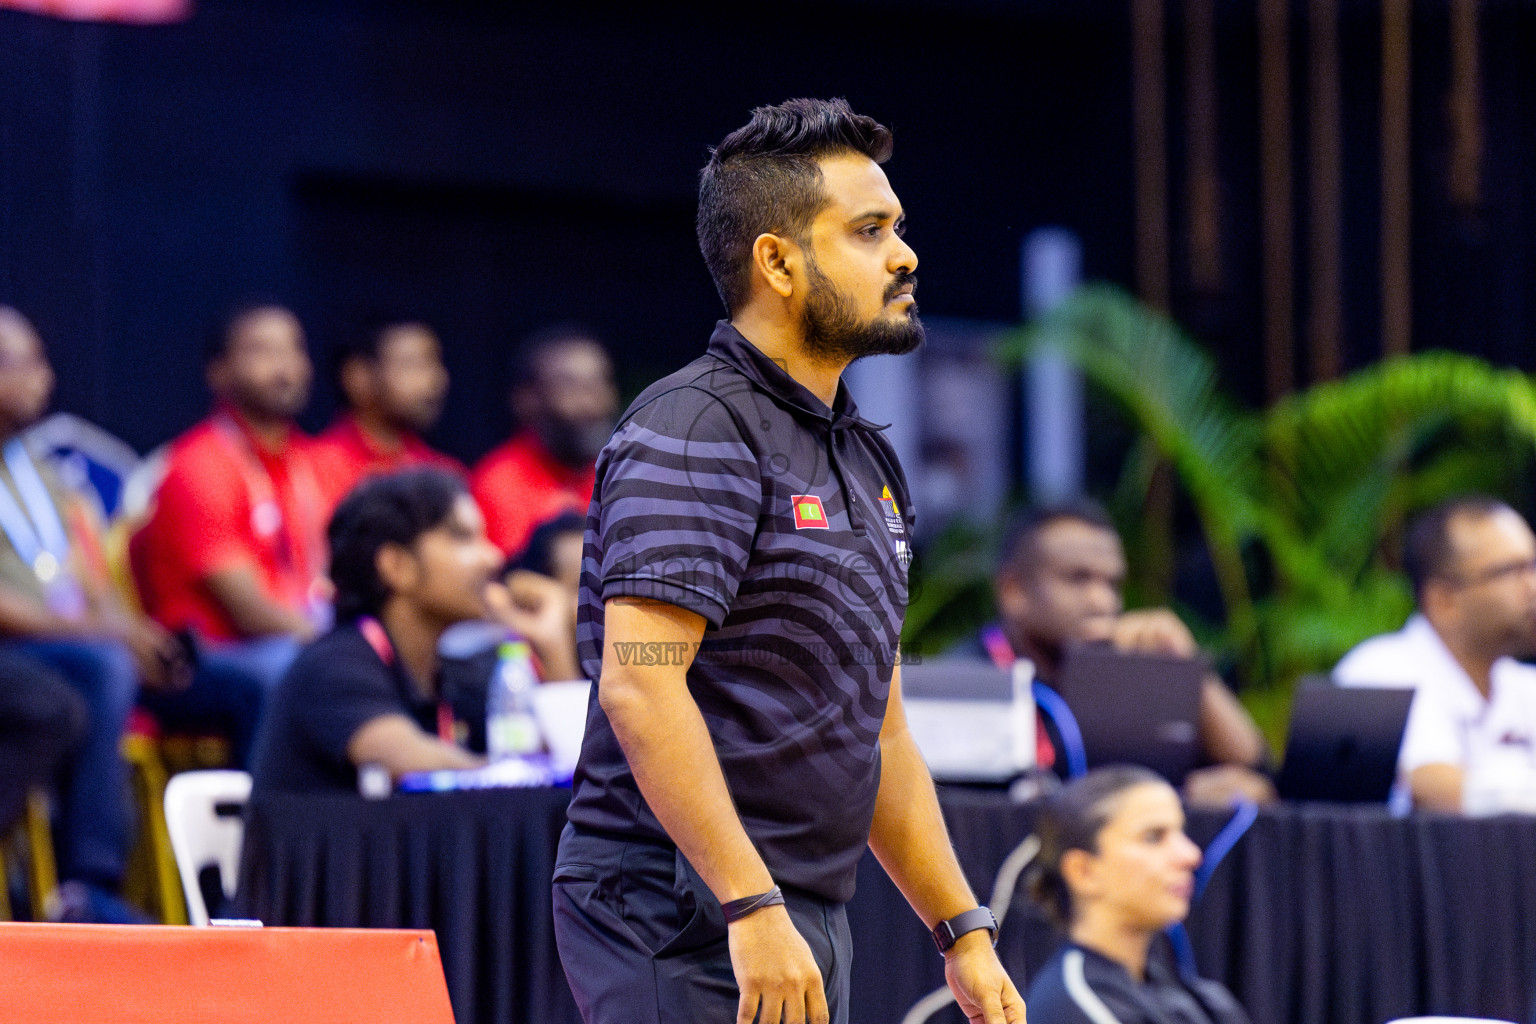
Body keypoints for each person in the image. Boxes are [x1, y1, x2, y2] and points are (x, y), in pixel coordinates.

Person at [553, 98, 1022, 1024]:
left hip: (797, 906)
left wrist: (962, 930)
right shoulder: (692, 426)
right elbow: (642, 684)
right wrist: (748, 902)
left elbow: (878, 729)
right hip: (677, 901)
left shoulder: (863, 454)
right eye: (870, 230)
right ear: (777, 261)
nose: (906, 254)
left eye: (899, 228)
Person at [0, 307, 188, 921]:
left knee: (136, 666)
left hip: (61, 648)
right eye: (20, 363)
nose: (41, 378)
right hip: (18, 646)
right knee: (95, 675)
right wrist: (109, 635)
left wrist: (133, 634)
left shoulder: (45, 474)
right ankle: (88, 881)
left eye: (40, 360)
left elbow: (90, 577)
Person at [130, 303, 328, 761]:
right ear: (219, 373)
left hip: (295, 638)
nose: (284, 367)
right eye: (262, 351)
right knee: (288, 668)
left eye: (294, 350)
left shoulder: (311, 462)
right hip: (206, 660)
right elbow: (247, 610)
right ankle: (271, 830)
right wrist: (337, 646)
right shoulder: (198, 465)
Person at [979, 501, 1274, 805]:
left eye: (1113, 583)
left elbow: (1256, 769)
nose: (1103, 602)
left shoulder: (1125, 668)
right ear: (1012, 591)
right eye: (1078, 578)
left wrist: (1187, 667)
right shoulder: (966, 683)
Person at [1334, 496, 1536, 814]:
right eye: (1512, 571)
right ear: (1444, 601)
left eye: (1534, 565)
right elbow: (1432, 788)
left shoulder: (1523, 686)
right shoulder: (1381, 670)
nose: (1532, 587)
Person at [1024, 765, 1251, 1024]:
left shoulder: (1201, 1001)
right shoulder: (1077, 1006)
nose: (1190, 855)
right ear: (1084, 871)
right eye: (1154, 837)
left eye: (1181, 833)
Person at [470, 326, 617, 559]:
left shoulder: (618, 475)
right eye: (571, 387)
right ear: (527, 400)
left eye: (599, 384)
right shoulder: (499, 484)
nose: (591, 405)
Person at [309, 316, 462, 516]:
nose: (436, 381)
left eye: (435, 363)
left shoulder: (445, 473)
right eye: (412, 365)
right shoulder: (312, 470)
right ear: (358, 377)